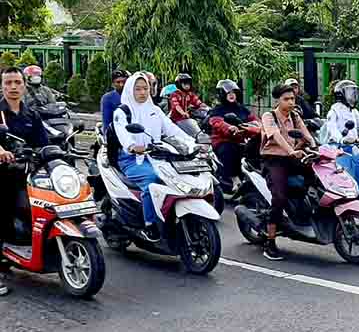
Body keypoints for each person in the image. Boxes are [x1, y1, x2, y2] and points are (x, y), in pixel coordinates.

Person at [111, 72, 196, 241]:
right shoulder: (122, 112)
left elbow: (172, 129)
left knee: (177, 176)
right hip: (131, 159)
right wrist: (133, 146)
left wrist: (192, 142)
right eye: (138, 89)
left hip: (157, 156)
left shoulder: (155, 110)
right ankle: (149, 224)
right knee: (152, 181)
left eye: (145, 88)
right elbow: (122, 133)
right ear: (130, 90)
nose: (142, 92)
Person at [0, 67, 50, 297]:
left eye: (17, 82)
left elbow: (43, 141)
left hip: (25, 172)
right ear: (2, 86)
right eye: (8, 82)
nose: (13, 87)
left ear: (24, 85)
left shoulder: (31, 113)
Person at [260, 84, 316, 261]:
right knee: (279, 197)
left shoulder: (295, 115)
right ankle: (270, 242)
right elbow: (276, 136)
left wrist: (314, 147)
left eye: (292, 98)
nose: (291, 102)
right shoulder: (269, 116)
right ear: (278, 100)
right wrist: (290, 151)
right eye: (286, 99)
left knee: (316, 174)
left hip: (292, 157)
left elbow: (306, 134)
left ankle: (304, 210)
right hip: (273, 159)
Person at [207, 80, 259, 191]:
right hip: (223, 140)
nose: (231, 95)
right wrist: (229, 128)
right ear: (222, 94)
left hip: (241, 139)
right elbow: (217, 122)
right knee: (229, 149)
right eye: (228, 92)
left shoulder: (242, 109)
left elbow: (254, 120)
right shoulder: (218, 110)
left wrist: (260, 126)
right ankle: (234, 179)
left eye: (233, 92)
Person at [101, 69, 130, 134]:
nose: (121, 84)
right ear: (113, 84)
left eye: (124, 81)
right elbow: (107, 122)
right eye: (118, 82)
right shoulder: (108, 98)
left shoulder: (134, 95)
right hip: (116, 133)